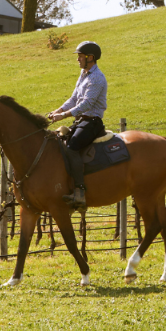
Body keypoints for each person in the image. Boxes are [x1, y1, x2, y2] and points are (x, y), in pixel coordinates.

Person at [47, 40, 108, 209]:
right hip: (81, 121)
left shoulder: (96, 78)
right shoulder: (84, 74)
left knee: (72, 147)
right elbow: (74, 99)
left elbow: (86, 104)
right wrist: (57, 110)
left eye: (80, 56)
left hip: (92, 122)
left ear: (91, 58)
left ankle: (80, 191)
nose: (78, 59)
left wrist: (63, 116)